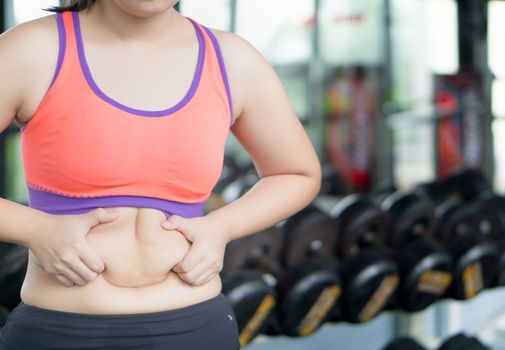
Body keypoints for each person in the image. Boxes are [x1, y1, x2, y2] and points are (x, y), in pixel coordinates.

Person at [0, 0, 321, 349]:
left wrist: (222, 227)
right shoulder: (30, 51)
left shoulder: (233, 60)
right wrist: (36, 230)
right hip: (63, 330)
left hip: (195, 326)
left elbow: (296, 173)